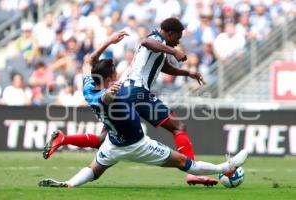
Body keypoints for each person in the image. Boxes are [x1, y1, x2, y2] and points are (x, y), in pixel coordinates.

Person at [39, 31, 248, 187]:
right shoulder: (110, 94)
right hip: (137, 144)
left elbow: (87, 61)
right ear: (111, 78)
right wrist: (112, 90)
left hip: (113, 144)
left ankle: (68, 184)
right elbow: (107, 96)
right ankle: (225, 168)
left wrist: (108, 42)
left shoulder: (88, 90)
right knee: (183, 160)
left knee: (95, 167)